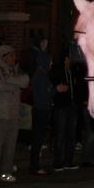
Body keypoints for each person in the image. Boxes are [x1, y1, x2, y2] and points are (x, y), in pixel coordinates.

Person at [0, 44, 30, 182]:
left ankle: (5, 172)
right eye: (11, 55)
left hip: (14, 113)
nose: (14, 58)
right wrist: (13, 84)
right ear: (3, 57)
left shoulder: (15, 70)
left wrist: (9, 81)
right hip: (1, 114)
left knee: (10, 145)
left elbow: (25, 81)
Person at [50, 50, 82, 171]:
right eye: (69, 59)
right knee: (61, 134)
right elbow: (54, 84)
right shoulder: (58, 71)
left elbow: (77, 86)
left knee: (71, 135)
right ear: (64, 59)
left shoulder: (72, 72)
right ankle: (58, 162)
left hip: (72, 106)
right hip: (62, 106)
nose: (71, 61)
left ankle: (68, 161)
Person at [29, 35, 56, 175]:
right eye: (50, 61)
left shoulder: (43, 74)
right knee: (37, 139)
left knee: (39, 139)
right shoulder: (40, 76)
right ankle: (34, 166)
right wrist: (55, 90)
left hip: (43, 108)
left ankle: (35, 165)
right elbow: (44, 94)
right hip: (40, 109)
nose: (51, 63)